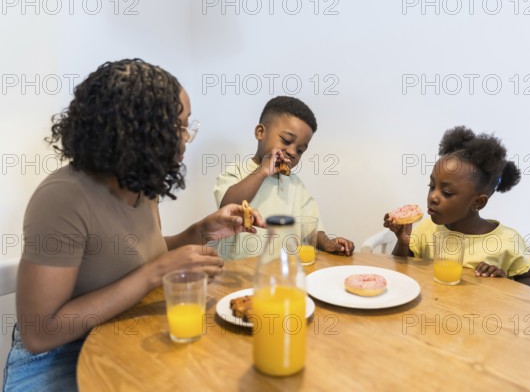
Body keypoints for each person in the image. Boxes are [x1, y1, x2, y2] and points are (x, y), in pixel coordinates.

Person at [3, 59, 265, 391]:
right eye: (180, 126)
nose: (188, 137)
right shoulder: (62, 199)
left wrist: (202, 232)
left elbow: (137, 255)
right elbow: (40, 332)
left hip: (122, 331)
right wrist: (156, 273)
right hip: (57, 356)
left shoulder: (140, 183)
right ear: (138, 129)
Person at [384, 126, 530, 288]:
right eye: (431, 186)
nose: (433, 197)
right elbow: (401, 270)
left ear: (477, 202)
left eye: (446, 192)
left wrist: (504, 281)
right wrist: (403, 243)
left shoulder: (507, 241)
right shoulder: (427, 229)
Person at [214, 96, 354, 260]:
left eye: (300, 150)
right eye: (286, 140)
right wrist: (262, 171)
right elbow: (227, 207)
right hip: (238, 273)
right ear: (260, 132)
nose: (293, 152)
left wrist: (327, 243)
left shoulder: (296, 185)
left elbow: (311, 230)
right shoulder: (237, 171)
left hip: (283, 271)